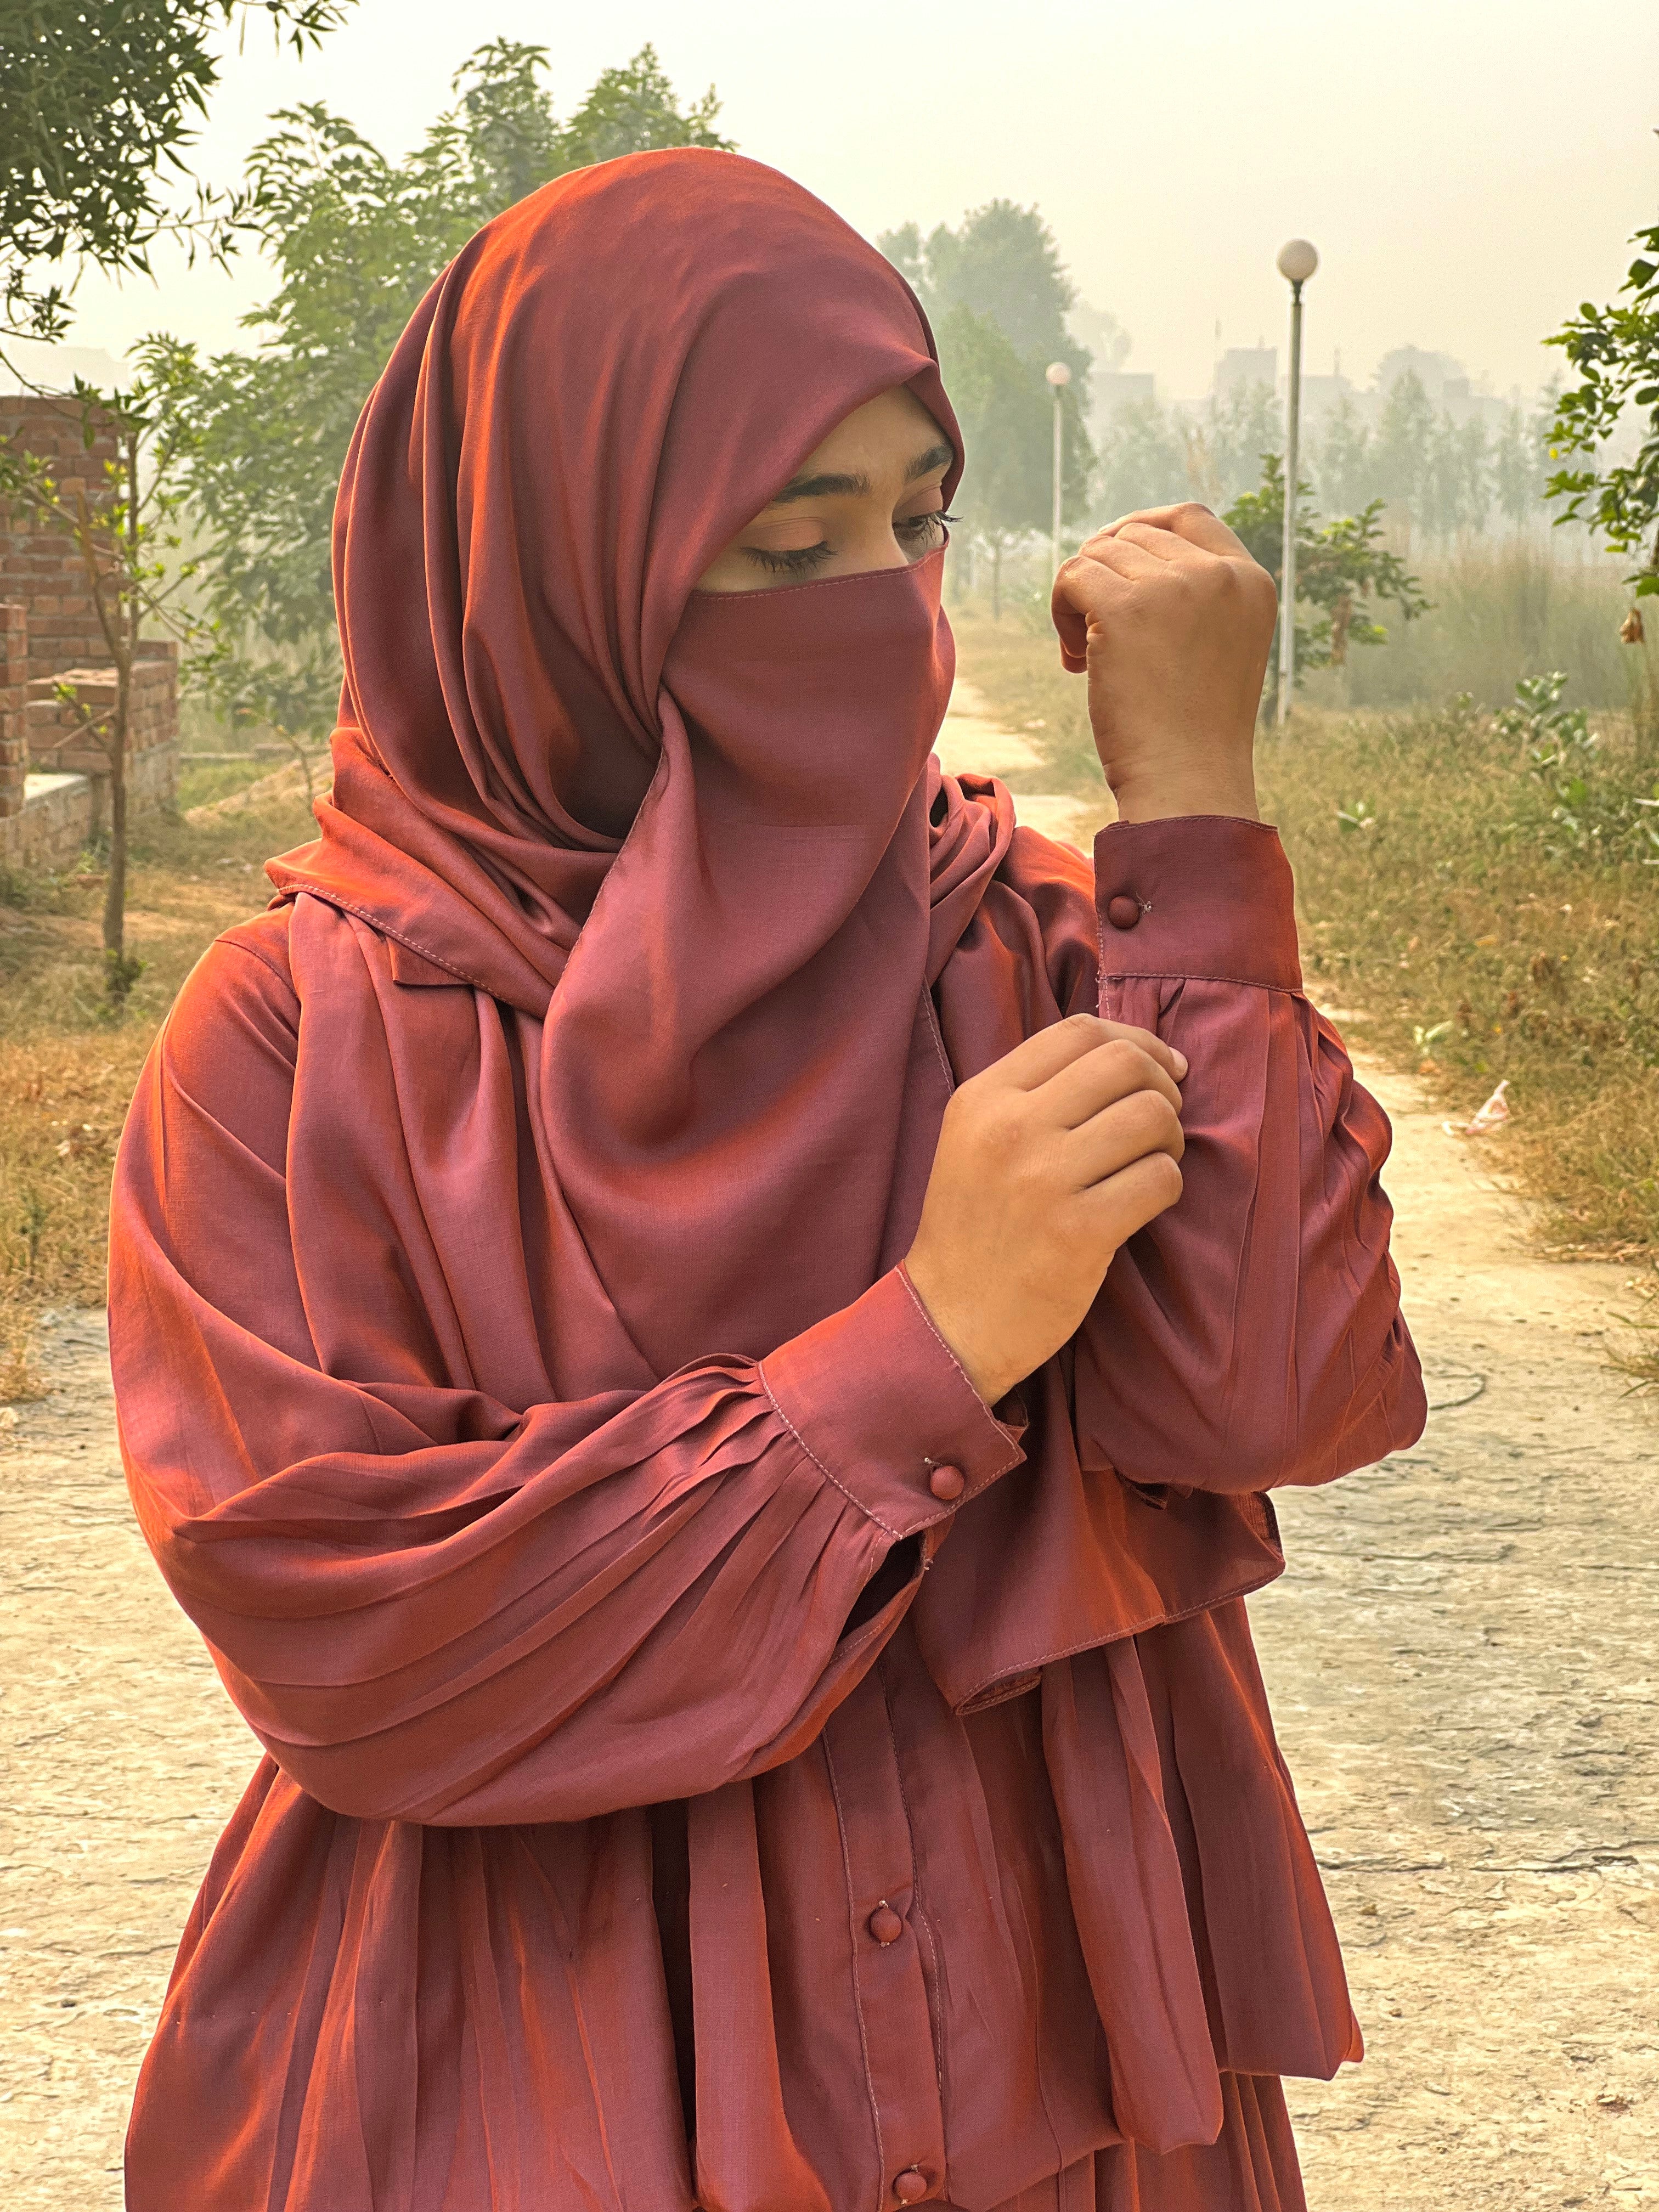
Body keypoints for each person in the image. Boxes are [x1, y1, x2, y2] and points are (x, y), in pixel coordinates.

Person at [109, 149, 1424, 2212]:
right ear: (549, 570)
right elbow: (347, 1637)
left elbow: (1281, 1396)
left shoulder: (1019, 945)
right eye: (783, 542)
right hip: (531, 2083)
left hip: (1042, 2087)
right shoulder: (300, 1051)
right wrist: (924, 1354)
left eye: (913, 523)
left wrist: (1197, 810)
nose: (873, 616)